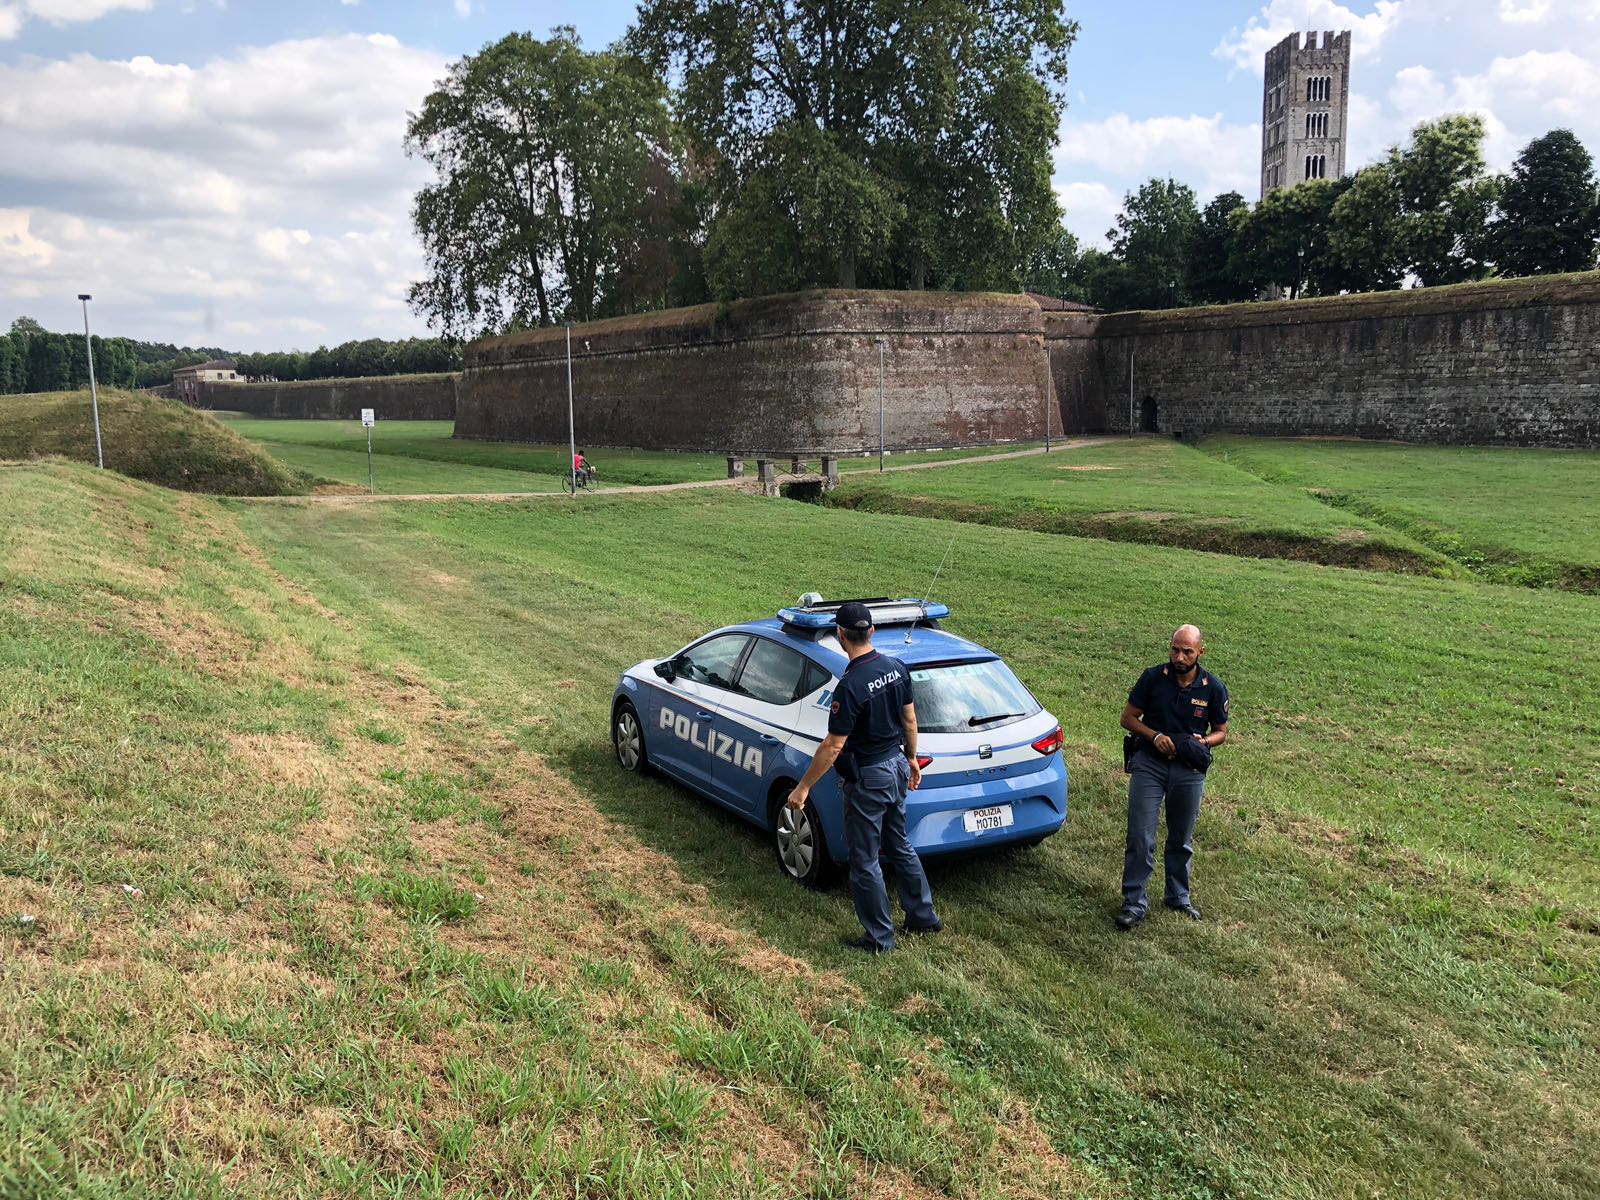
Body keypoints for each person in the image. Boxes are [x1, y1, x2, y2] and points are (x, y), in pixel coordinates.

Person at [786, 601, 941, 953]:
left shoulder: (850, 686)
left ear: (841, 635)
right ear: (870, 631)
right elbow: (910, 721)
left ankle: (879, 938)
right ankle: (923, 917)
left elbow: (833, 746)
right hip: (897, 767)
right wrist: (913, 759)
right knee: (899, 843)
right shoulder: (897, 668)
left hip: (868, 778)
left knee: (865, 859)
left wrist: (804, 786)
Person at [1116, 624, 1230, 931]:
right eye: (1175, 649)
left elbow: (1221, 732)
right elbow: (1127, 718)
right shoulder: (1153, 678)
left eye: (1187, 651)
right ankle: (1134, 902)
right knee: (1140, 835)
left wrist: (1203, 742)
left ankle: (1178, 896)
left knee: (1181, 837)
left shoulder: (1213, 688)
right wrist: (1154, 737)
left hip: (1188, 770)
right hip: (1150, 764)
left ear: (1200, 653)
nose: (1179, 656)